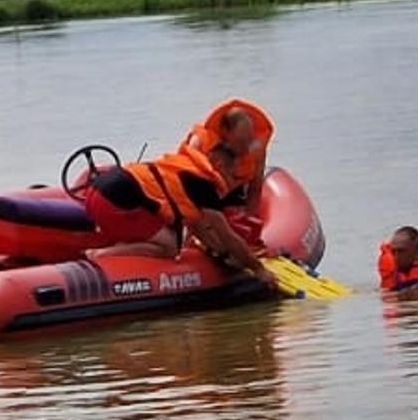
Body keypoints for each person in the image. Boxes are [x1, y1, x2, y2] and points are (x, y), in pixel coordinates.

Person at [82, 144, 276, 286]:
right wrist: (258, 268)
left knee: (169, 236)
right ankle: (101, 255)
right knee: (170, 247)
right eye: (232, 175)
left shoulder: (186, 168)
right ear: (218, 164)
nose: (232, 182)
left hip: (97, 193)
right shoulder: (203, 185)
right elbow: (227, 235)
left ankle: (121, 251)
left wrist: (222, 254)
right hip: (113, 202)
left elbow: (197, 226)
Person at [182, 99, 274, 213]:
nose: (246, 148)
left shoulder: (256, 149)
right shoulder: (201, 141)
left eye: (249, 140)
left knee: (235, 208)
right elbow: (185, 175)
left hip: (232, 192)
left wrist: (249, 216)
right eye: (241, 142)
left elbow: (255, 187)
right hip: (200, 189)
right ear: (225, 132)